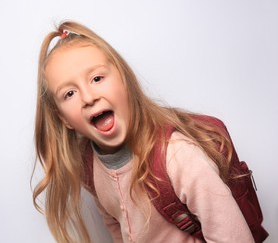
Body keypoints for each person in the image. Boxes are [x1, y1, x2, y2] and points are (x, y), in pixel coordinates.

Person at [32, 20, 254, 242]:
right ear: (64, 119)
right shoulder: (89, 167)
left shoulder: (178, 156)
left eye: (97, 79)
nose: (89, 97)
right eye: (70, 93)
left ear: (124, 81)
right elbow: (115, 223)